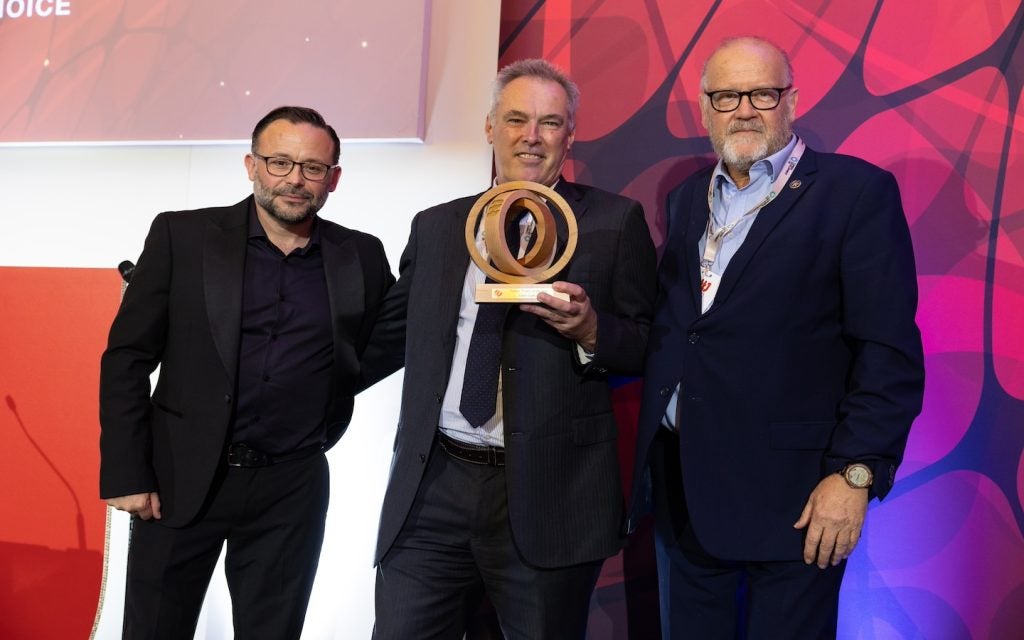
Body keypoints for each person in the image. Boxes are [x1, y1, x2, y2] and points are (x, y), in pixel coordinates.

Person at [628, 36, 925, 638]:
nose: (744, 110)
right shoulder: (687, 199)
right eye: (726, 96)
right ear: (705, 108)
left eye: (761, 93)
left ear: (791, 100)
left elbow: (887, 352)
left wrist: (855, 473)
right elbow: (688, 329)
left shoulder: (854, 192)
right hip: (686, 492)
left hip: (797, 499)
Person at [360, 59, 657, 639]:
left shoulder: (614, 222)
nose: (531, 136)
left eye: (551, 123)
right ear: (490, 127)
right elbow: (384, 340)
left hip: (550, 492)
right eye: (517, 119)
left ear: (570, 136)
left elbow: (647, 345)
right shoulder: (437, 226)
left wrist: (591, 330)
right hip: (433, 485)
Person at [99, 105, 394, 639]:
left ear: (333, 179)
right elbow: (127, 357)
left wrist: (323, 388)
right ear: (251, 165)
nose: (295, 180)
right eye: (280, 162)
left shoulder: (361, 255)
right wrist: (127, 471)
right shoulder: (182, 236)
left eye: (312, 167)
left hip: (291, 488)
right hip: (178, 479)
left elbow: (385, 342)